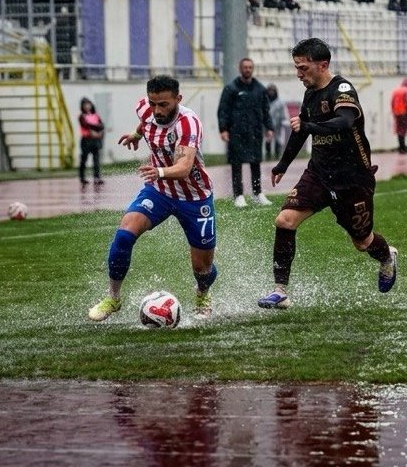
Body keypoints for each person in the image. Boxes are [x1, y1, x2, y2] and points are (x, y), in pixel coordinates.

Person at [257, 38, 398, 309]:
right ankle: (280, 291)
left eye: (303, 67)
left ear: (323, 65)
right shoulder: (310, 93)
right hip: (319, 174)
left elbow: (344, 122)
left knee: (362, 241)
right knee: (285, 220)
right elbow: (302, 131)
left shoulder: (342, 88)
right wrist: (282, 165)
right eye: (296, 67)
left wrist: (309, 126)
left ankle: (387, 257)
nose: (298, 74)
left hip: (352, 179)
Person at [88, 74, 219, 321]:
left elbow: (184, 167)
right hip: (160, 191)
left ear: (178, 99)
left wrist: (158, 171)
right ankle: (113, 299)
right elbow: (145, 121)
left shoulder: (188, 124)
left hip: (194, 198)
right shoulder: (147, 109)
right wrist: (136, 135)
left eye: (164, 105)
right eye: (153, 103)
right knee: (125, 233)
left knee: (203, 269)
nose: (157, 110)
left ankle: (202, 294)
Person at [217, 57, 275, 207]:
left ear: (252, 69)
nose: (247, 69)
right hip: (236, 132)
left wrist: (269, 127)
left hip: (255, 132)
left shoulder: (260, 89)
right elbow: (223, 110)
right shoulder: (231, 88)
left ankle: (258, 193)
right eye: (245, 67)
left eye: (250, 67)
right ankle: (239, 195)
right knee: (236, 163)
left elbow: (266, 110)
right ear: (240, 69)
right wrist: (223, 129)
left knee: (256, 162)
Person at [77, 97, 105, 186]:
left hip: (95, 140)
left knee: (96, 159)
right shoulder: (82, 116)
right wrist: (96, 127)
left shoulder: (96, 115)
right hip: (86, 140)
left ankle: (97, 177)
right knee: (84, 159)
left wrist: (96, 131)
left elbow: (102, 126)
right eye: (85, 105)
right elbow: (86, 125)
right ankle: (82, 177)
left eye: (88, 104)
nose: (87, 106)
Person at [390, 78, 407, 153]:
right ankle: (403, 148)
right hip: (404, 113)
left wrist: (393, 111)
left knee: (399, 130)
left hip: (396, 113)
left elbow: (392, 102)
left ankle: (401, 146)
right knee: (403, 130)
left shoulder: (396, 90)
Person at [265, 84, 288, 160]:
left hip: (278, 125)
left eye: (272, 91)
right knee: (268, 140)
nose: (271, 92)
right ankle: (268, 156)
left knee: (278, 140)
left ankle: (277, 156)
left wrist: (283, 121)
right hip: (268, 125)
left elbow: (284, 113)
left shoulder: (280, 102)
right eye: (269, 91)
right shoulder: (265, 102)